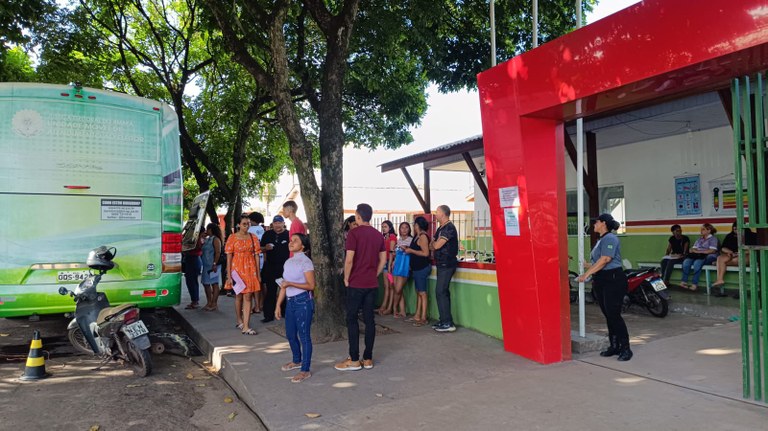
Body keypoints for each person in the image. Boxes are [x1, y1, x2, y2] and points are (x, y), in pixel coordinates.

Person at [335, 203, 386, 371]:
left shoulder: (353, 233)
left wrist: (347, 278)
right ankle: (368, 358)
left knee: (352, 319)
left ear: (357, 216)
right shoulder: (379, 235)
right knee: (370, 320)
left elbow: (349, 259)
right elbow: (383, 260)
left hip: (356, 283)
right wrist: (375, 274)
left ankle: (355, 359)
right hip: (371, 283)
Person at [578, 213, 633, 361]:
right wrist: (587, 266)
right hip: (602, 280)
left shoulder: (610, 238)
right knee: (608, 315)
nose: (593, 224)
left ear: (603, 223)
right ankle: (614, 346)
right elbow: (599, 262)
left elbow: (606, 259)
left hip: (613, 279)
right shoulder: (601, 240)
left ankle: (626, 348)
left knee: (614, 314)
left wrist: (586, 274)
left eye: (596, 222)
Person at [275, 233, 315, 383]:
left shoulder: (306, 262)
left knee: (304, 336)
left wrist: (291, 284)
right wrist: (278, 305)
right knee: (290, 334)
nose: (291, 242)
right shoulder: (288, 262)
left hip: (303, 301)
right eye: (291, 240)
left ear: (303, 246)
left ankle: (305, 369)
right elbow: (284, 285)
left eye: (295, 241)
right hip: (290, 302)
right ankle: (296, 360)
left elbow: (311, 286)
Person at [225, 215, 262, 335]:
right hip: (237, 271)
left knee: (248, 296)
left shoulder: (253, 237)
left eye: (248, 224)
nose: (247, 226)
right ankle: (239, 320)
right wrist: (229, 275)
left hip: (250, 269)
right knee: (239, 296)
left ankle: (246, 326)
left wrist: (258, 273)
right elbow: (229, 257)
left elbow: (256, 255)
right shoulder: (232, 238)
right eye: (244, 224)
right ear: (239, 225)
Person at [431, 205, 458, 333]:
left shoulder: (449, 228)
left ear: (443, 214)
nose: (435, 214)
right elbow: (433, 243)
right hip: (441, 264)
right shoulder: (440, 228)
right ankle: (444, 320)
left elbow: (436, 245)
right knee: (441, 292)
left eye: (437, 212)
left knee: (441, 291)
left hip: (447, 265)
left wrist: (434, 243)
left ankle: (447, 323)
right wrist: (434, 243)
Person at [712, 222, 757, 295]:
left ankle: (718, 263)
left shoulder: (751, 235)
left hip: (747, 255)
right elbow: (723, 248)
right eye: (734, 229)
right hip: (732, 255)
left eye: (737, 229)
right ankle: (720, 279)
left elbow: (753, 249)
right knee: (720, 258)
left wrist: (740, 253)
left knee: (727, 261)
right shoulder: (730, 236)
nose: (735, 231)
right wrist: (729, 252)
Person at [260, 215, 290, 323]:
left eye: (279, 223)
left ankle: (285, 312)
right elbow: (260, 248)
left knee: (285, 290)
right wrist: (265, 248)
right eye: (275, 223)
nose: (277, 225)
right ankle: (268, 315)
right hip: (270, 266)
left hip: (285, 266)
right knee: (270, 291)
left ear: (283, 223)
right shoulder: (267, 234)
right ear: (273, 224)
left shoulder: (288, 234)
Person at [404, 217, 431, 326]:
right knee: (418, 292)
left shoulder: (423, 236)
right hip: (416, 267)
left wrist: (411, 250)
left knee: (422, 293)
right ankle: (417, 315)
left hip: (422, 267)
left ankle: (423, 317)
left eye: (415, 225)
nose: (414, 226)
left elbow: (425, 253)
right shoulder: (417, 236)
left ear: (418, 225)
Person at [680, 223, 719, 291]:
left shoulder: (713, 239)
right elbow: (694, 248)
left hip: (707, 256)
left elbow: (712, 250)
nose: (701, 231)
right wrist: (691, 250)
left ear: (709, 230)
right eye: (701, 229)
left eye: (703, 229)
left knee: (697, 263)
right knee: (686, 262)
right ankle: (684, 282)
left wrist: (698, 251)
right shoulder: (699, 239)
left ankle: (694, 284)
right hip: (697, 255)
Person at [391, 221, 412, 318]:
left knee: (398, 289)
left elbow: (409, 252)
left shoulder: (411, 240)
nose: (404, 229)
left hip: (405, 265)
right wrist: (393, 261)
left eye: (406, 227)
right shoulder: (398, 240)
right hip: (397, 265)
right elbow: (395, 253)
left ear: (409, 229)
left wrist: (402, 247)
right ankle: (402, 311)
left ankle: (394, 308)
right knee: (398, 289)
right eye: (402, 227)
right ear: (399, 230)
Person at [201, 223, 224, 311]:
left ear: (212, 229)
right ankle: (209, 302)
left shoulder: (215, 239)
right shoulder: (207, 239)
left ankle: (214, 303)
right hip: (206, 265)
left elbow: (218, 252)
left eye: (208, 229)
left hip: (214, 265)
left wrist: (215, 263)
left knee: (214, 284)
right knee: (206, 283)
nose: (207, 231)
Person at [377, 220, 397, 316]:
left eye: (385, 226)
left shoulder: (392, 237)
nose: (383, 228)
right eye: (382, 226)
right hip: (385, 263)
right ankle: (384, 306)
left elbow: (391, 252)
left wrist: (389, 266)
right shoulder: (384, 237)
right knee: (386, 286)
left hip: (389, 264)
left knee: (390, 286)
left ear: (390, 227)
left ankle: (389, 308)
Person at [248, 212, 265, 314]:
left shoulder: (250, 230)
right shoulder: (262, 229)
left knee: (253, 285)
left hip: (252, 260)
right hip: (261, 258)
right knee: (260, 284)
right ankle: (260, 304)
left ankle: (255, 305)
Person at [182, 230, 204, 309]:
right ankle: (194, 300)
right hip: (192, 259)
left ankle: (195, 301)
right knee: (191, 280)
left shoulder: (198, 238)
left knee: (192, 280)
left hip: (193, 259)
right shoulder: (197, 238)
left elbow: (197, 247)